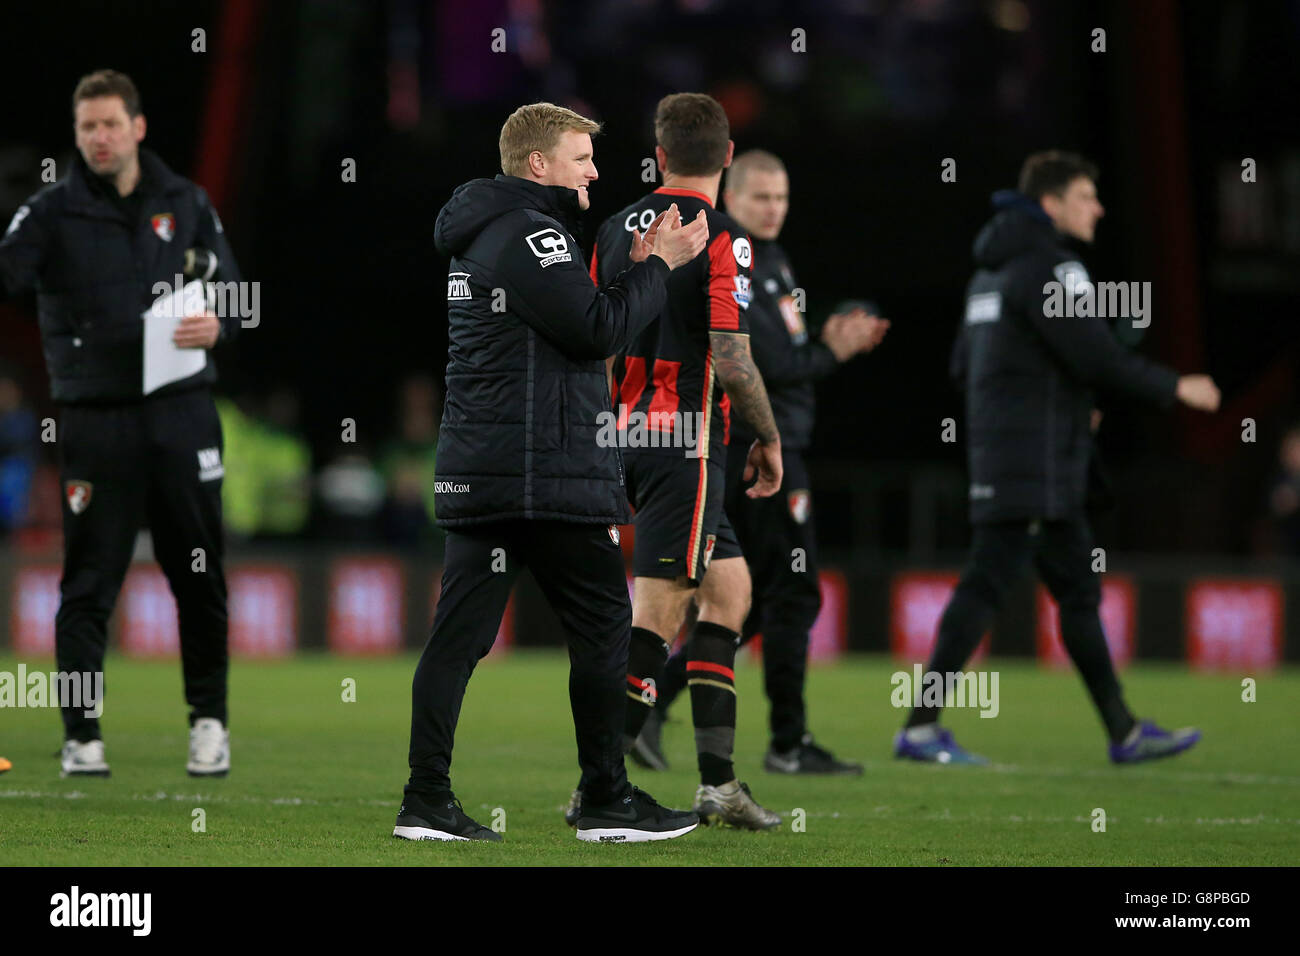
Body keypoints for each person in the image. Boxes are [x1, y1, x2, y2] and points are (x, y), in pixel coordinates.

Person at [395, 102, 709, 844]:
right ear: (538, 165)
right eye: (580, 158)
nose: (595, 171)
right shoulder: (532, 233)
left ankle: (425, 800)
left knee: (457, 640)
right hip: (540, 477)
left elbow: (575, 322)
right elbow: (595, 330)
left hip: (493, 470)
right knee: (604, 628)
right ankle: (606, 800)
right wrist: (659, 266)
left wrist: (631, 274)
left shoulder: (492, 229)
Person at [894, 151, 1220, 765]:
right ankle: (918, 728)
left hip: (1009, 456)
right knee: (989, 582)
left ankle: (1122, 731)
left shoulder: (989, 274)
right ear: (1052, 203)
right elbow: (1096, 355)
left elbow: (967, 366)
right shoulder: (1053, 267)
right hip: (1037, 465)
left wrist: (1059, 402)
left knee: (1073, 591)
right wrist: (1177, 386)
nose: (1097, 207)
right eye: (1086, 196)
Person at [0, 70, 243, 778]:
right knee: (87, 585)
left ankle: (209, 724)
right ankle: (82, 737)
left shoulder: (188, 202)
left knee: (199, 578)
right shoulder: (49, 213)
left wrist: (221, 324)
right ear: (76, 136)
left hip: (182, 414)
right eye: (86, 128)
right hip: (96, 422)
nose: (99, 138)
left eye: (109, 124)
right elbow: (7, 274)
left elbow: (236, 292)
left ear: (137, 127)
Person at [632, 149, 888, 775]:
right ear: (731, 194)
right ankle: (786, 743)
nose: (773, 209)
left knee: (733, 596)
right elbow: (756, 367)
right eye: (760, 198)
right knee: (788, 595)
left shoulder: (770, 263)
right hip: (753, 450)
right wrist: (833, 351)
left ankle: (648, 717)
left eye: (782, 198)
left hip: (735, 447)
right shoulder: (733, 254)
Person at [581, 94, 784, 829]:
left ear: (660, 157)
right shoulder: (723, 236)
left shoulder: (611, 228)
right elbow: (730, 356)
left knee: (728, 593)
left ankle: (718, 785)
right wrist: (767, 434)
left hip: (620, 433)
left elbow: (594, 334)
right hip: (687, 443)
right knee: (662, 606)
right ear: (727, 158)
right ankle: (600, 789)